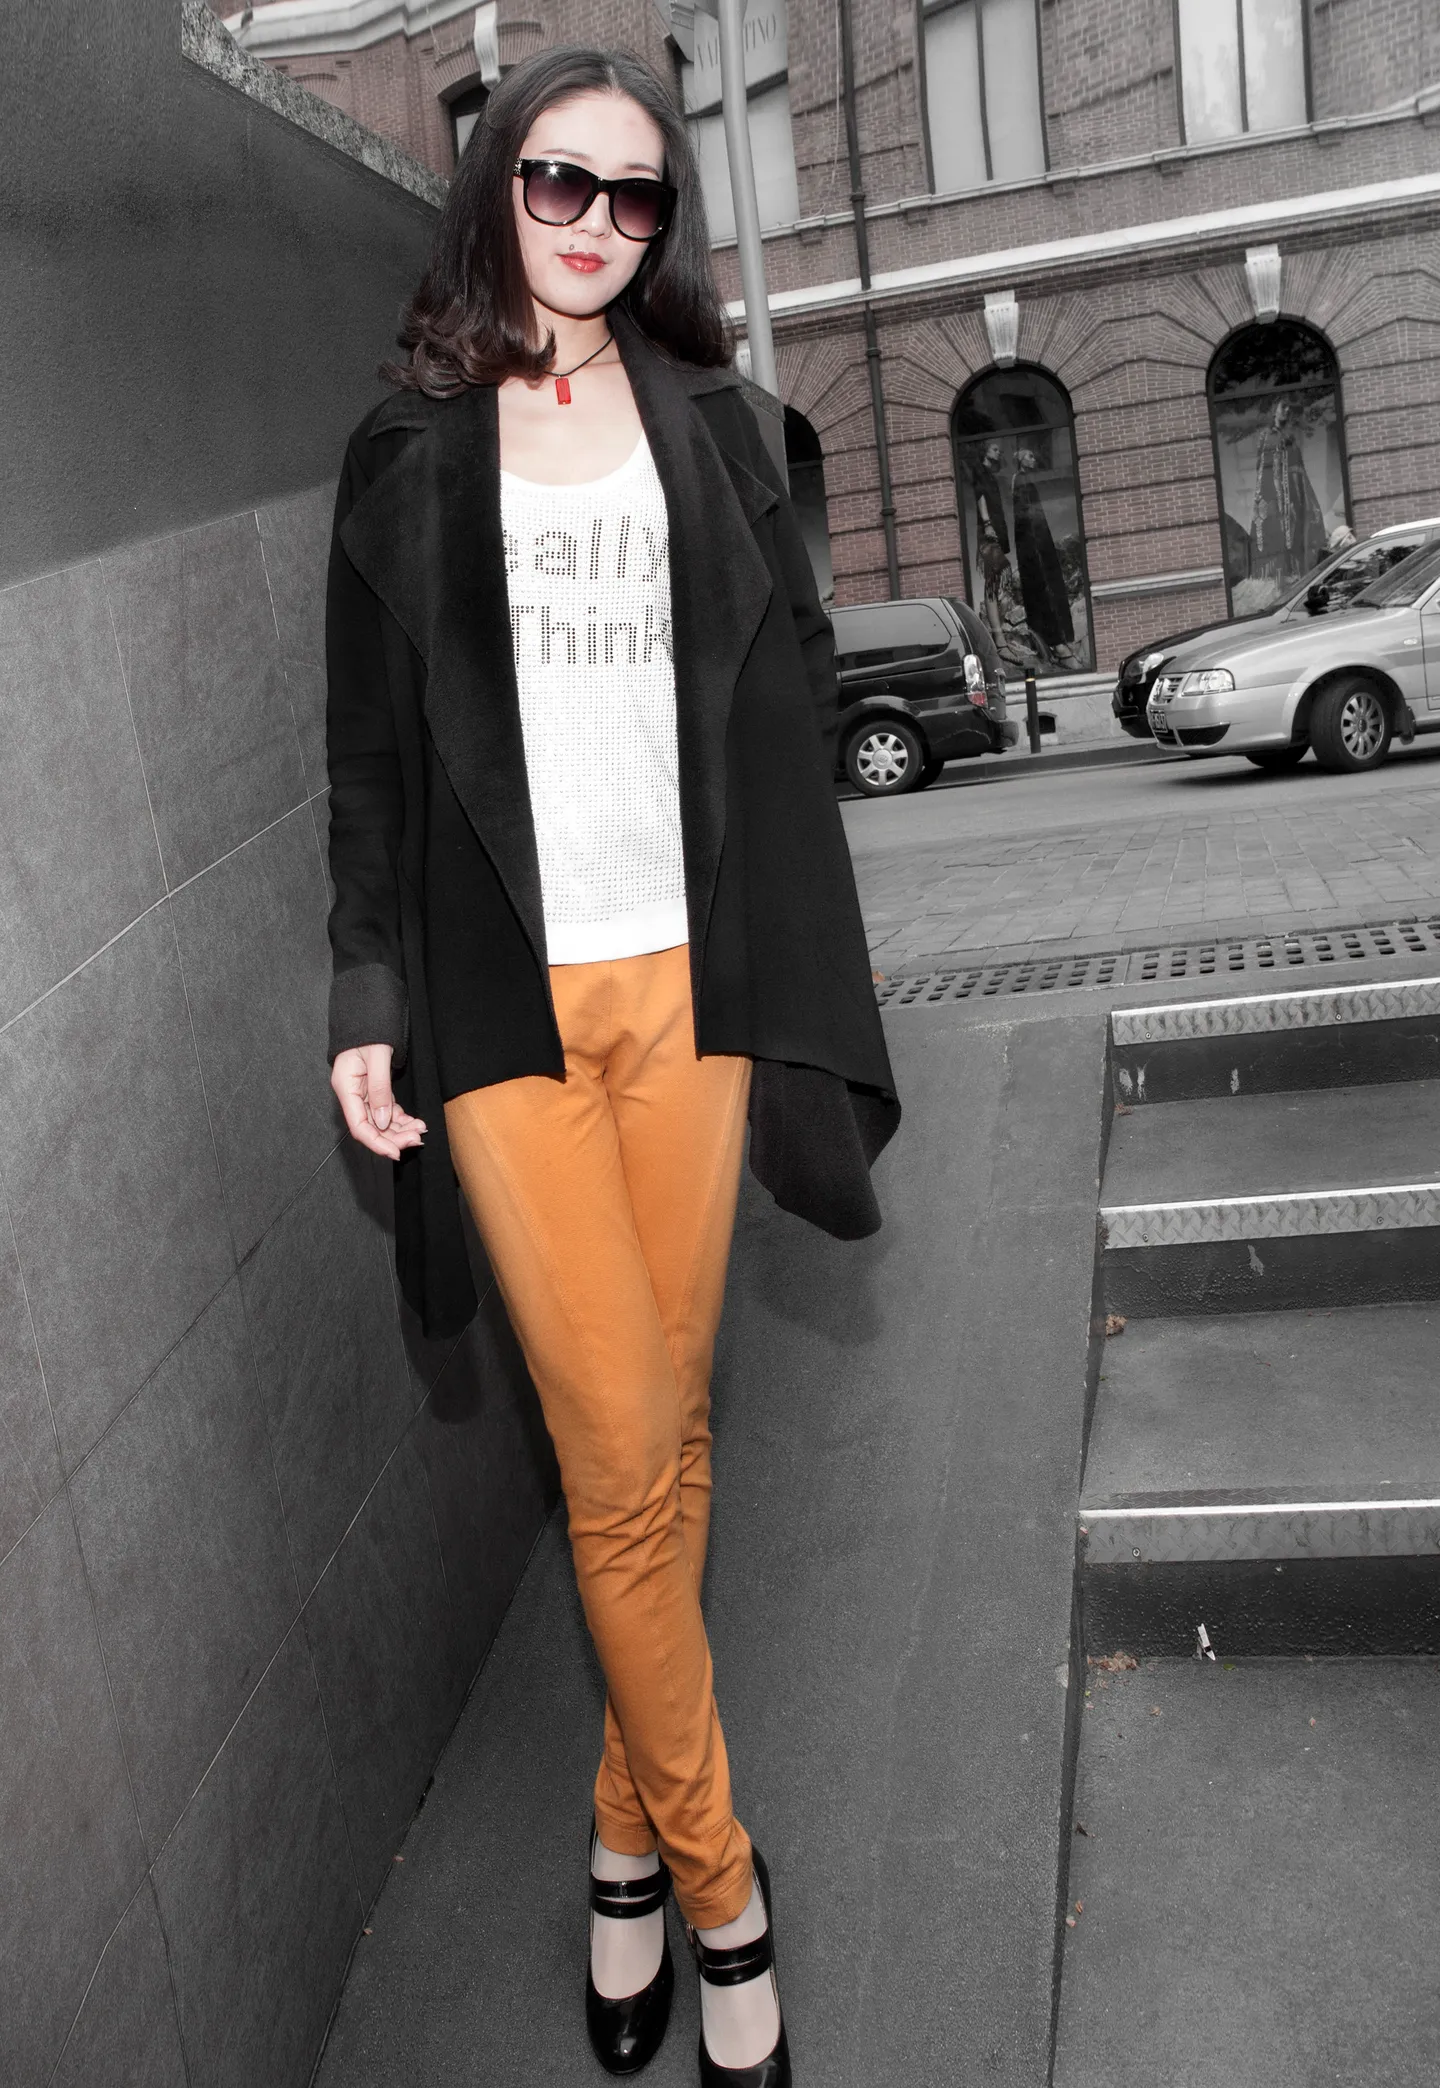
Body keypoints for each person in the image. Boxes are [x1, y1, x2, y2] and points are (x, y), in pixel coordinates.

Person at [322, 44, 899, 2088]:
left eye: (635, 195)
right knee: (618, 1439)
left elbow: (789, 696)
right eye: (558, 182)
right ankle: (729, 1891)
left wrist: (807, 955)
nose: (593, 222)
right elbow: (367, 756)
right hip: (505, 1011)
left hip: (690, 988)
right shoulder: (407, 450)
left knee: (667, 1432)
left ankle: (619, 1843)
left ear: (666, 227)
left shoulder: (714, 430)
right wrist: (364, 986)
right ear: (496, 187)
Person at [1249, 397, 1326, 588]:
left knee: (1297, 530)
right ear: (1274, 411)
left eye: (1288, 408)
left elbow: (1298, 466)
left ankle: (1298, 573)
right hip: (1274, 494)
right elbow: (1263, 469)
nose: (1286, 411)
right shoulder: (1266, 436)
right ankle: (1280, 576)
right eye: (1283, 407)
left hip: (1295, 492)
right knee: (1278, 532)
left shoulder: (1291, 435)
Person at [1010, 447, 1076, 665]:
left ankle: (1056, 640)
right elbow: (1024, 515)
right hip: (1032, 542)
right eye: (1029, 456)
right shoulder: (1020, 480)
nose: (1034, 459)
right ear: (1021, 459)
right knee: (1041, 588)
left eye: (1033, 455)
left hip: (1038, 539)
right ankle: (1053, 642)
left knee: (1049, 585)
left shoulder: (1026, 480)